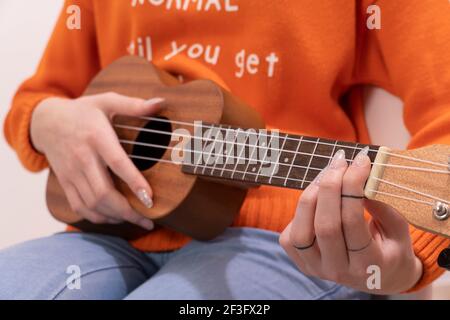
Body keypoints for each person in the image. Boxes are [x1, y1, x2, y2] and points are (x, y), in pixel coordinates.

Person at [1, 0, 449, 299]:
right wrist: (46, 121)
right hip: (107, 232)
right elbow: (41, 98)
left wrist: (410, 264)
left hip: (290, 240)